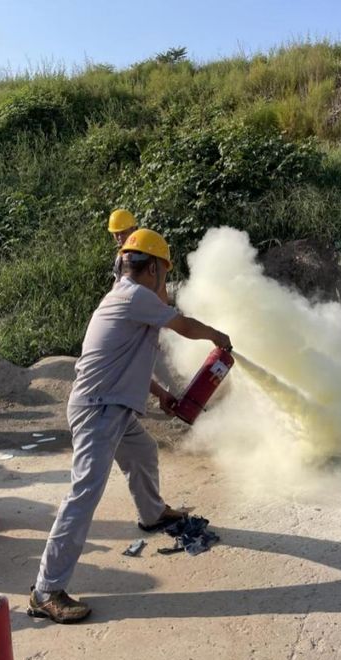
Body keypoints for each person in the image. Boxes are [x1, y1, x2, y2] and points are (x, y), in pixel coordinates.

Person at [28, 228, 232, 623]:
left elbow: (128, 360)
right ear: (153, 268)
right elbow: (183, 325)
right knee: (83, 494)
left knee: (142, 451)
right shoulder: (134, 295)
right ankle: (45, 590)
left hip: (113, 408)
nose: (164, 282)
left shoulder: (125, 297)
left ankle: (152, 513)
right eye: (164, 272)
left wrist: (160, 393)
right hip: (98, 411)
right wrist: (216, 336)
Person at [108, 208, 177, 390]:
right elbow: (117, 285)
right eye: (116, 233)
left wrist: (162, 317)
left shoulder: (146, 251)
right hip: (132, 313)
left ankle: (176, 394)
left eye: (123, 232)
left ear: (134, 229)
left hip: (148, 311)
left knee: (157, 359)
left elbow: (160, 286)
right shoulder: (121, 257)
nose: (119, 237)